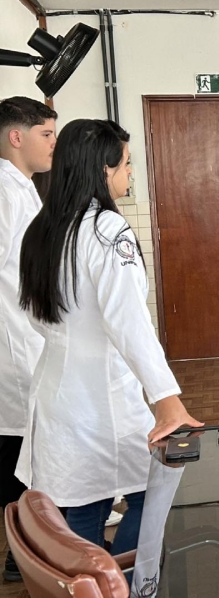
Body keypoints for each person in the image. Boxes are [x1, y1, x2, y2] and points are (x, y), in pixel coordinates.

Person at [15, 119, 202, 555]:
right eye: (127, 163)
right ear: (103, 168)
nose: (130, 173)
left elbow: (35, 315)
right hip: (102, 397)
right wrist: (166, 399)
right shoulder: (107, 229)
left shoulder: (42, 230)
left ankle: (95, 580)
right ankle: (128, 579)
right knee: (150, 495)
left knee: (85, 504)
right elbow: (128, 322)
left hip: (58, 392)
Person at [0, 96, 57, 582]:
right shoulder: (5, 191)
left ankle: (31, 548)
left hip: (27, 336)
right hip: (12, 343)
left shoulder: (23, 188)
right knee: (16, 447)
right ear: (16, 137)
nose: (54, 144)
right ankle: (22, 556)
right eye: (46, 134)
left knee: (28, 445)